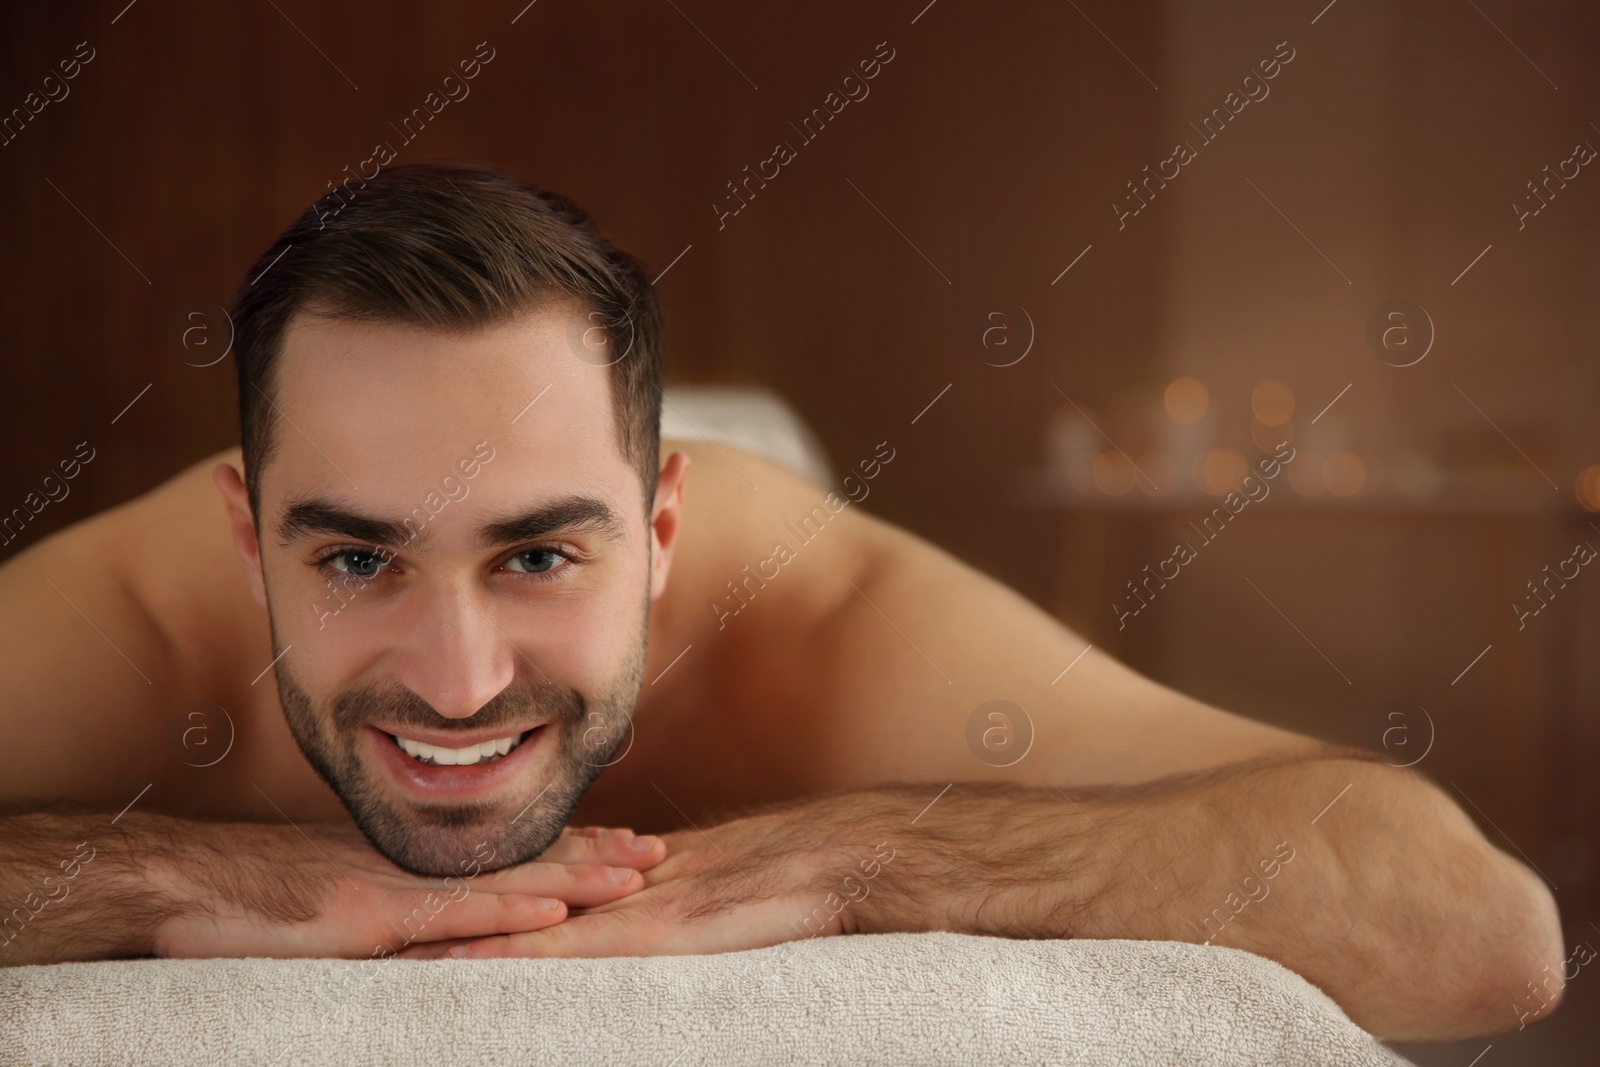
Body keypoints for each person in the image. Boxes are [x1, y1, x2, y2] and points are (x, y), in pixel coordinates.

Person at [0, 161, 1560, 1041]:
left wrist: (849, 856)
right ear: (244, 533)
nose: (461, 681)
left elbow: (1482, 929)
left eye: (541, 555)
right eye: (354, 561)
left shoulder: (810, 624)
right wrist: (172, 875)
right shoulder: (137, 626)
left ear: (668, 525)